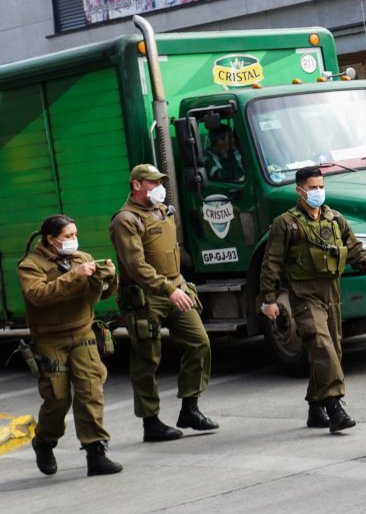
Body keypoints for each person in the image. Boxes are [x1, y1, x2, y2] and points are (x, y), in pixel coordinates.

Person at [260, 167, 366, 433]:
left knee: (333, 351)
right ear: (300, 191)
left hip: (332, 293)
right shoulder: (286, 223)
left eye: (321, 186)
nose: (318, 192)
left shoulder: (334, 219)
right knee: (321, 346)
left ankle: (315, 408)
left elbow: (353, 246)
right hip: (304, 295)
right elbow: (271, 262)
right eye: (313, 188)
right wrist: (268, 300)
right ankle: (334, 406)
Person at [110, 164, 218, 442]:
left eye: (160, 182)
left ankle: (190, 408)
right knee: (147, 358)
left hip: (175, 288)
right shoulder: (126, 220)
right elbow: (136, 266)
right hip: (146, 296)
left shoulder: (160, 211)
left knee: (199, 342)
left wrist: (179, 284)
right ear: (136, 185)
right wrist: (169, 289)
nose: (158, 187)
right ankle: (151, 422)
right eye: (152, 182)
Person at [21, 215, 122, 477]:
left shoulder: (82, 258)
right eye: (68, 236)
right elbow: (39, 296)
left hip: (82, 333)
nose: (73, 240)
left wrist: (108, 278)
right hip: (50, 339)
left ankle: (96, 453)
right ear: (51, 240)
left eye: (75, 234)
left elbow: (99, 296)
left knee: (91, 391)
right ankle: (44, 441)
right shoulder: (30, 266)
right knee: (57, 398)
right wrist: (74, 276)